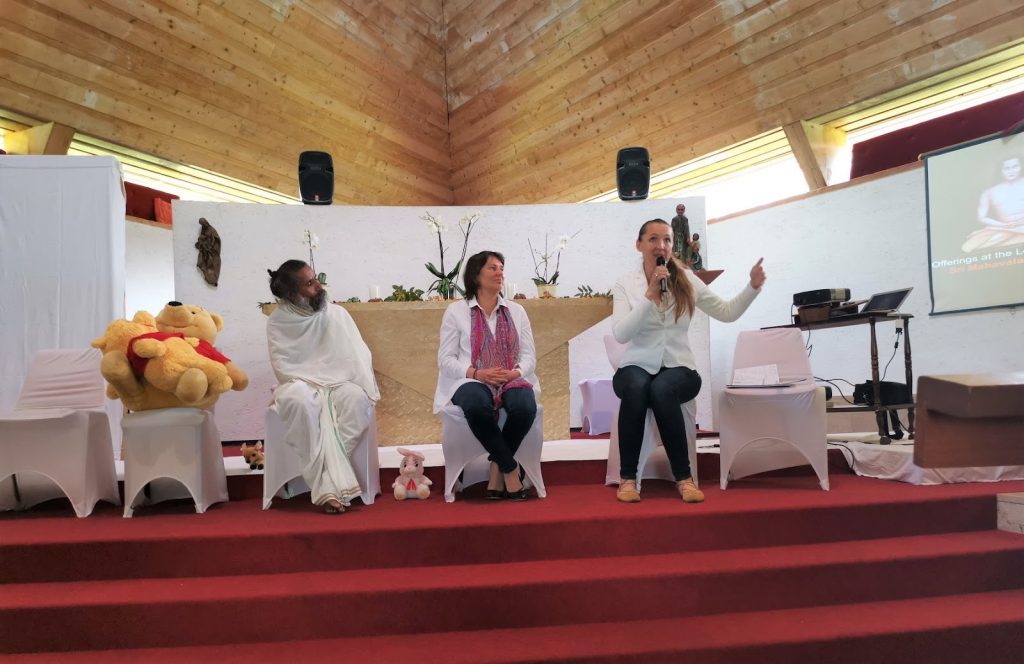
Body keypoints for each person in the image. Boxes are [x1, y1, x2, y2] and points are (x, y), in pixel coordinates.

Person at [611, 219, 766, 504]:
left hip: (679, 367)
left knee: (662, 390)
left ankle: (684, 479)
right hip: (637, 364)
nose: (661, 245)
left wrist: (752, 288)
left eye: (667, 240)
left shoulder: (686, 279)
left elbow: (727, 312)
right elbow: (621, 333)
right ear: (639, 245)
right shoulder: (625, 283)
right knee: (636, 387)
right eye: (654, 239)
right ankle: (628, 479)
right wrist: (649, 297)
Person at [266, 259, 379, 514]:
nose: (319, 286)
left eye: (315, 278)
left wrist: (336, 381)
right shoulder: (278, 321)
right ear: (293, 294)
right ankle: (331, 485)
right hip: (300, 382)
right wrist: (314, 384)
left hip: (340, 380)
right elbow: (283, 365)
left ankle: (325, 483)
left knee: (356, 400)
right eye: (310, 283)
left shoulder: (336, 313)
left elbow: (356, 354)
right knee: (298, 401)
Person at [434, 251, 540, 500]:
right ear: (476, 275)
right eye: (492, 268)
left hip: (511, 377)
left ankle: (496, 466)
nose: (499, 272)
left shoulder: (517, 311)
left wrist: (514, 373)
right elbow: (445, 360)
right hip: (470, 378)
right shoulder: (456, 311)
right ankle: (511, 469)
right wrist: (477, 373)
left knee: (525, 406)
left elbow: (529, 357)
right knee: (475, 404)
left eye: (501, 267)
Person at [963, 156, 1024, 252]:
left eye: (1015, 166)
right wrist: (1002, 225)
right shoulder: (990, 192)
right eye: (1006, 168)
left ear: (1021, 167)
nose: (1011, 171)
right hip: (1003, 229)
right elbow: (982, 218)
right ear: (1001, 170)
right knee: (969, 246)